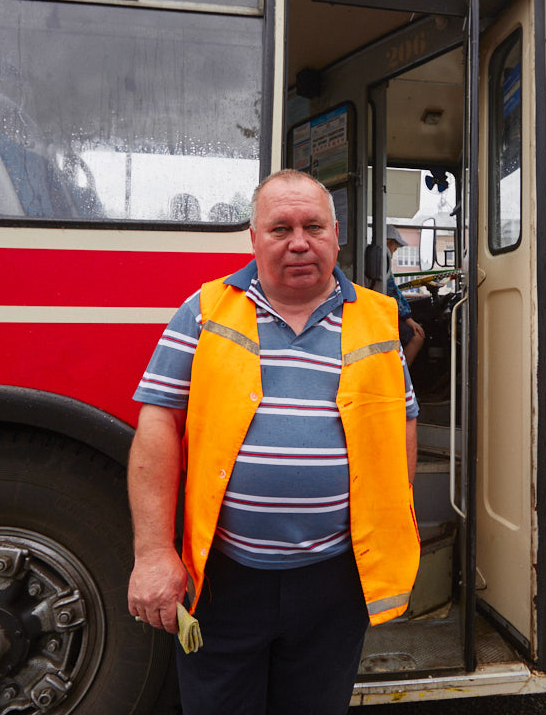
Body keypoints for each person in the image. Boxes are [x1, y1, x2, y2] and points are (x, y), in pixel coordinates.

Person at [127, 169, 421, 714]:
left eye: (313, 226)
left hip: (334, 583)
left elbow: (399, 424)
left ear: (337, 235)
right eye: (280, 228)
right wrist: (151, 554)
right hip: (222, 580)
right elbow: (157, 427)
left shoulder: (379, 323)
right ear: (255, 238)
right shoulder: (204, 311)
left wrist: (388, 533)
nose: (299, 242)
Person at [385, 224, 426, 366]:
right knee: (417, 336)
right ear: (388, 242)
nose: (393, 253)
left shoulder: (376, 256)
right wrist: (408, 319)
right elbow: (392, 291)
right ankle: (401, 380)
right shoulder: (383, 257)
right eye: (395, 249)